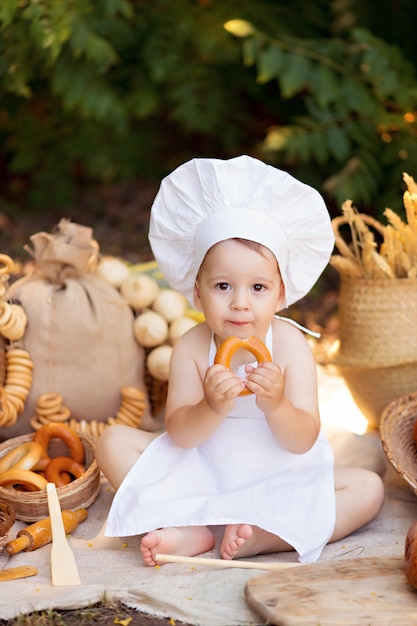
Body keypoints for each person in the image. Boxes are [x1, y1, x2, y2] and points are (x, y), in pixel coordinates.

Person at [96, 155, 384, 567]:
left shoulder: (289, 346)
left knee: (368, 488)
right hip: (201, 470)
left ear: (282, 294)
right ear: (197, 292)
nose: (240, 303)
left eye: (259, 287)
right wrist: (210, 407)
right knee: (113, 442)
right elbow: (179, 434)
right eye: (223, 285)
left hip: (276, 477)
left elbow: (302, 440)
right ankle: (189, 527)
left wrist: (278, 404)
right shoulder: (193, 347)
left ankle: (262, 537)